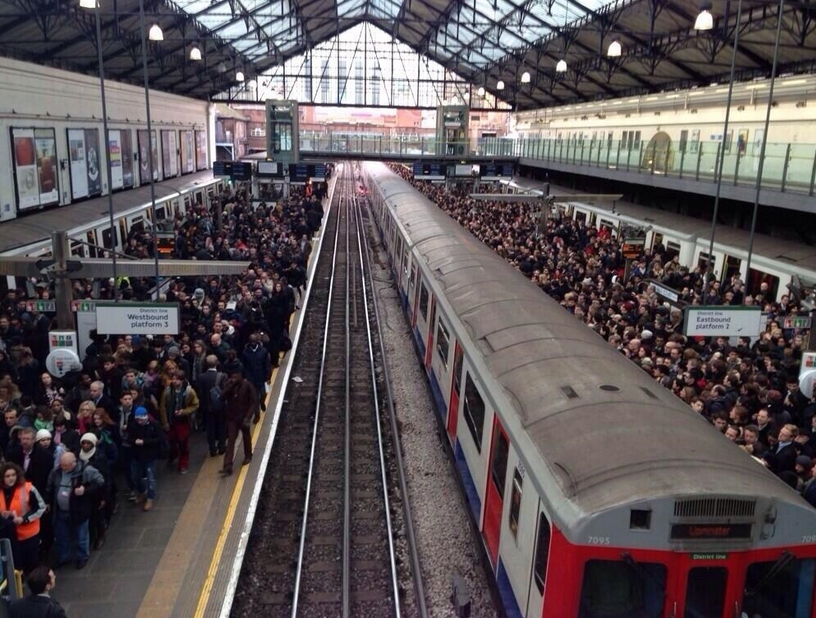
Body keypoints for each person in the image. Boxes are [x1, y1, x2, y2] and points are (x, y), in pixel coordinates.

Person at [45, 451, 105, 569]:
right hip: (61, 511)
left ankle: (82, 557)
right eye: (62, 464)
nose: (63, 467)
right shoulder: (56, 472)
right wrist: (47, 502)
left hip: (79, 511)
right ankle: (64, 557)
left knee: (81, 536)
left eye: (65, 465)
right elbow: (49, 487)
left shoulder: (86, 470)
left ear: (74, 463)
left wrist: (85, 490)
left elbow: (100, 482)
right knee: (61, 537)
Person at [0, 462, 46, 574]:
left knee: (32, 565)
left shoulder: (28, 488)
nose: (11, 478)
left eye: (13, 475)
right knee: (15, 567)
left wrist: (24, 519)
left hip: (28, 534)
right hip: (9, 536)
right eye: (7, 476)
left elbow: (40, 507)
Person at [220, 362, 257, 476]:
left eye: (236, 376)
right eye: (232, 376)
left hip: (243, 416)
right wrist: (229, 386)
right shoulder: (229, 385)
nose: (234, 378)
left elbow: (253, 402)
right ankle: (227, 465)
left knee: (246, 437)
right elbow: (222, 397)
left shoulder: (247, 385)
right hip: (232, 417)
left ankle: (248, 455)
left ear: (241, 375)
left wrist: (248, 417)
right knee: (231, 440)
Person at [158, 370, 199, 475]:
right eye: (173, 379)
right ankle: (173, 455)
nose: (174, 381)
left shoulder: (189, 392)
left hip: (183, 422)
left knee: (183, 444)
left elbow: (195, 405)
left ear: (182, 380)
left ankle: (183, 464)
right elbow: (162, 407)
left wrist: (184, 412)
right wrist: (165, 422)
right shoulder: (167, 391)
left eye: (177, 379)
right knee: (172, 442)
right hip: (171, 421)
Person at [79, 433, 112, 550]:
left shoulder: (99, 457)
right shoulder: (79, 456)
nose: (85, 445)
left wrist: (104, 497)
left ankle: (101, 535)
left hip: (98, 491)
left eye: (88, 443)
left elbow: (106, 478)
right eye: (84, 443)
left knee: (99, 515)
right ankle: (92, 536)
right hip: (85, 491)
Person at [127, 406, 162, 512]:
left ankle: (150, 498)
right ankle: (142, 492)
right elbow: (129, 438)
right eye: (138, 419)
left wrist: (144, 442)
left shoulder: (154, 425)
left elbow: (159, 439)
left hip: (149, 456)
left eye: (141, 419)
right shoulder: (133, 425)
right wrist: (134, 441)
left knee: (151, 478)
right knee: (136, 476)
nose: (140, 421)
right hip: (136, 456)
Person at [196, 355, 226, 457]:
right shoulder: (222, 376)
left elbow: (199, 392)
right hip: (220, 406)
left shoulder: (201, 377)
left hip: (207, 407)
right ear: (217, 363)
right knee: (221, 426)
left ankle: (212, 449)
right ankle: (222, 447)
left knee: (210, 428)